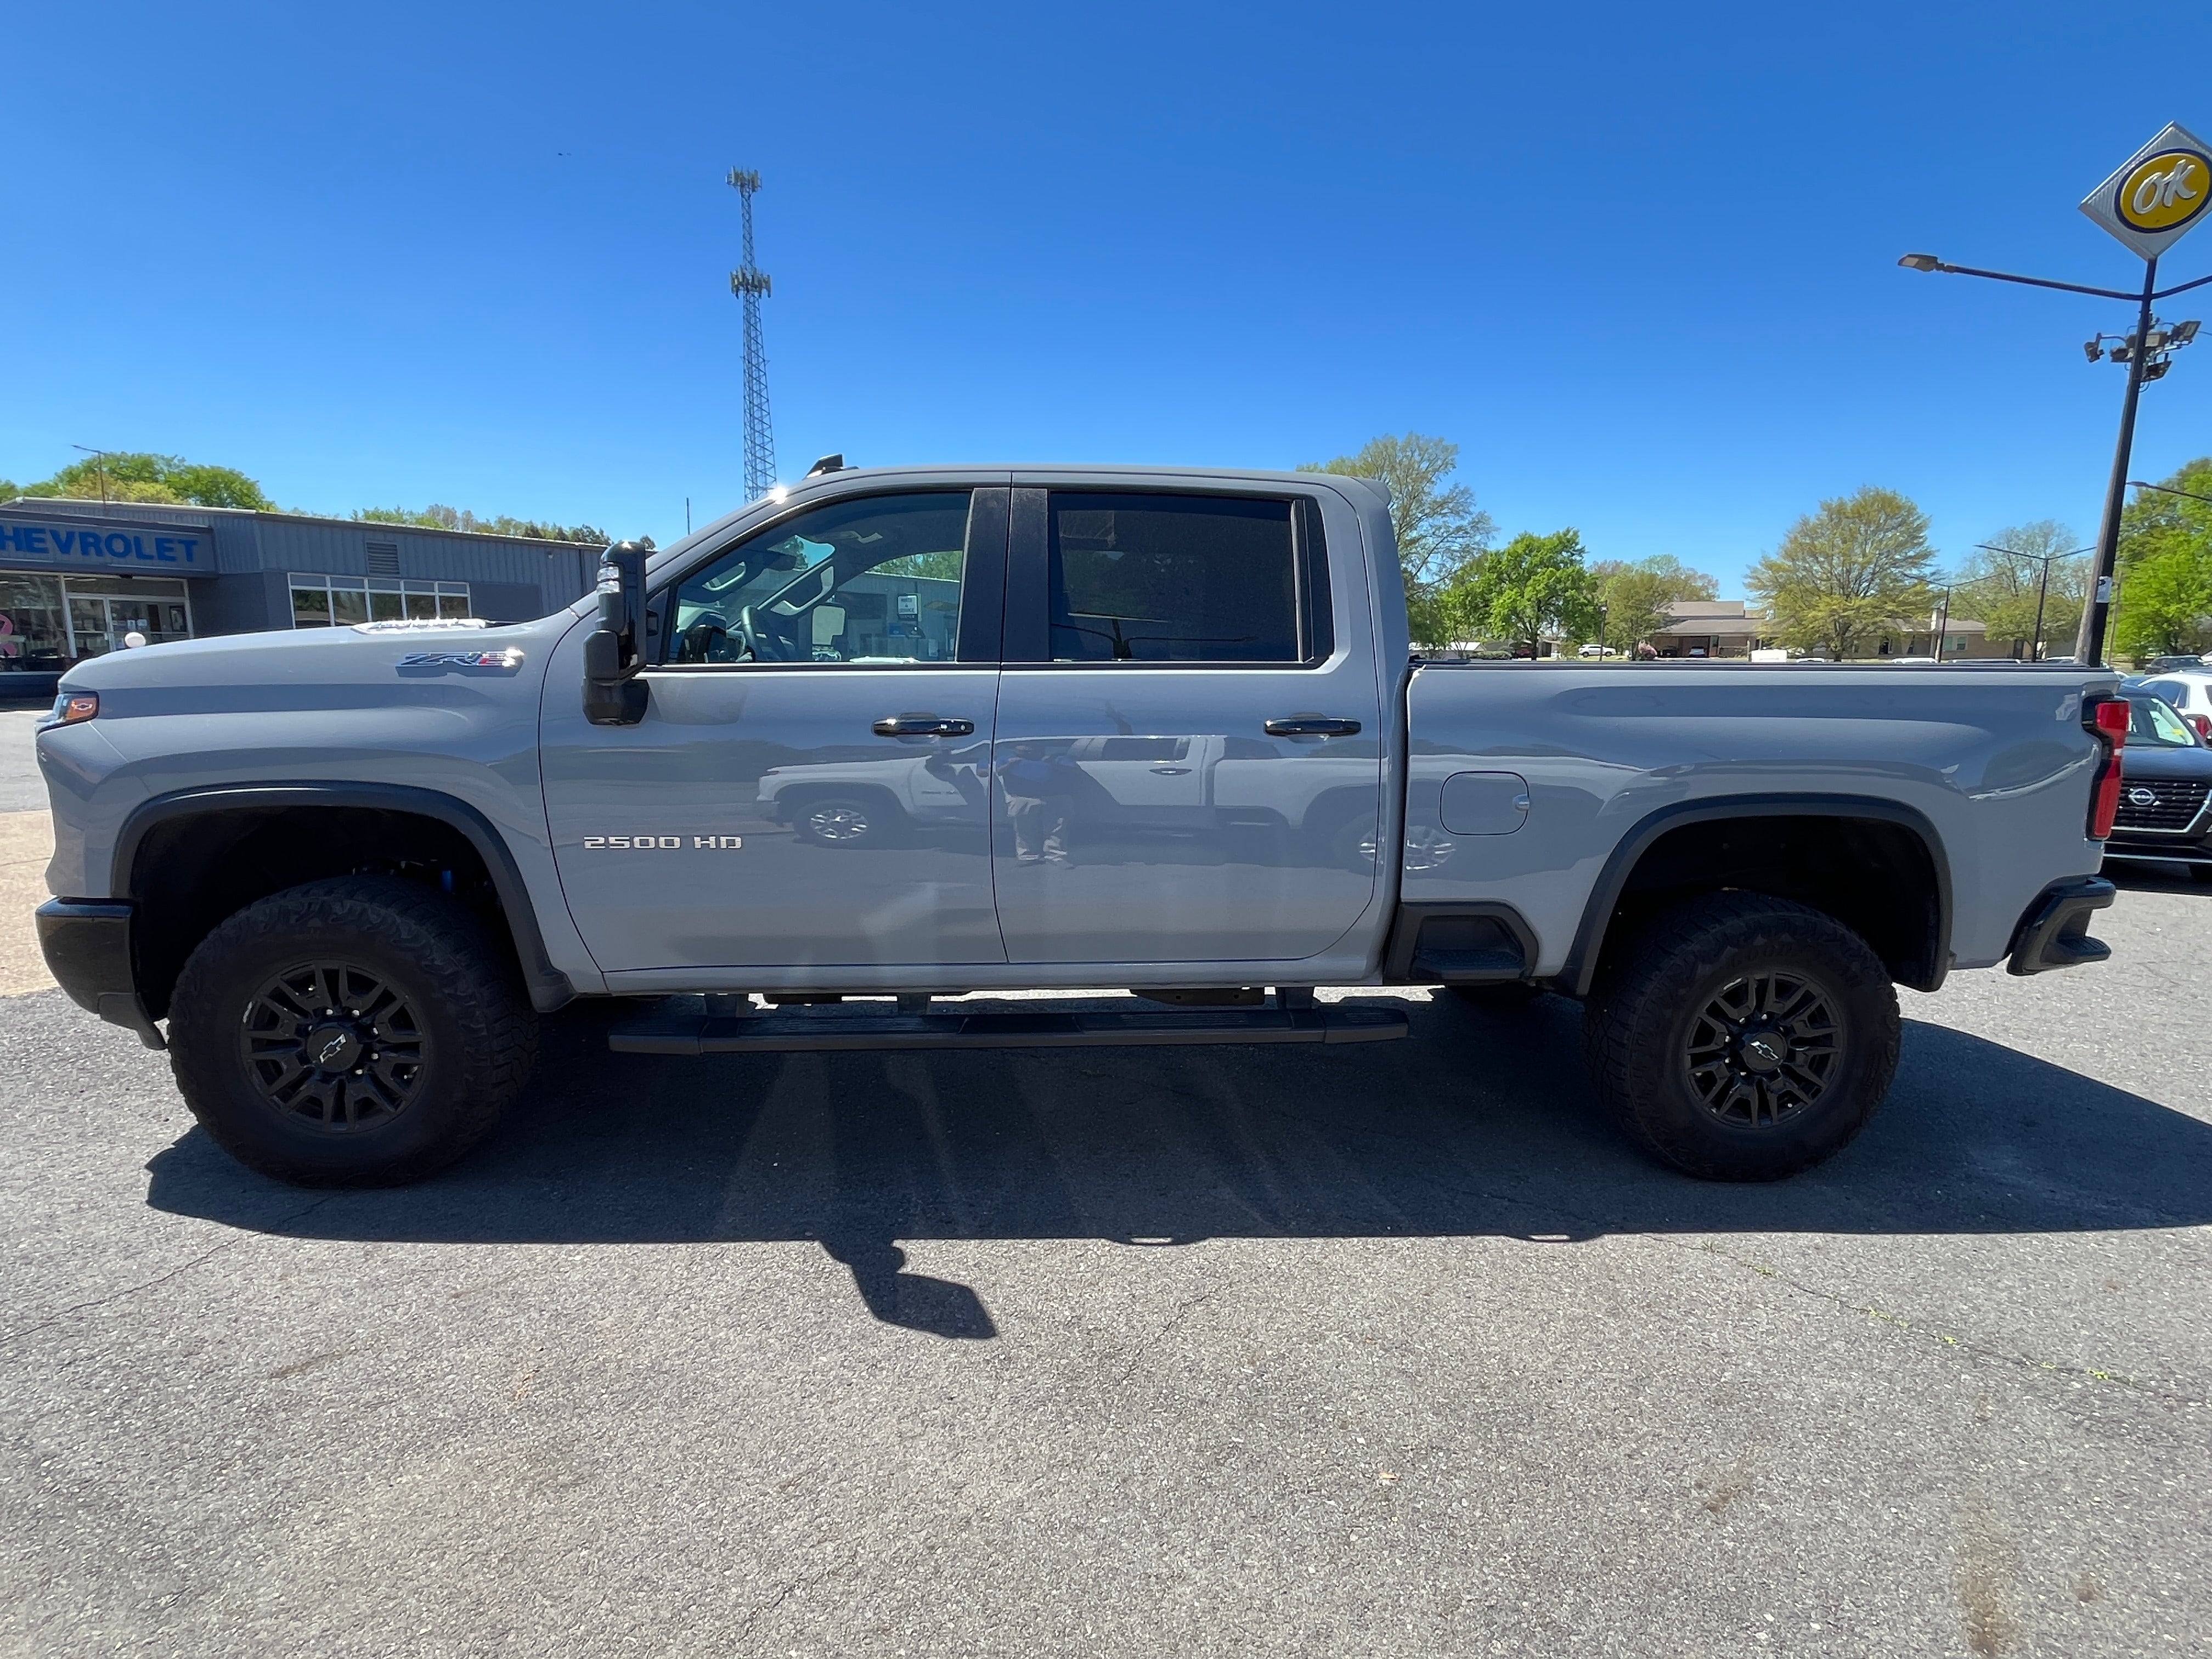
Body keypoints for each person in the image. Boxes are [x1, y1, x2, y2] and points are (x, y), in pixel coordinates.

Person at [994, 741, 1077, 864]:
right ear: (1015, 748)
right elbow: (999, 772)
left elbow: (1073, 770)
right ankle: (1028, 856)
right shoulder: (1007, 759)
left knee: (1057, 829)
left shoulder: (1058, 758)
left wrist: (1052, 763)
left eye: (1031, 746)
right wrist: (1010, 764)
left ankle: (1056, 856)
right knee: (1024, 829)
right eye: (1023, 745)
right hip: (1022, 798)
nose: (1027, 748)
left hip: (1056, 797)